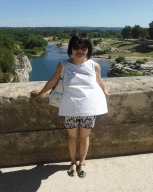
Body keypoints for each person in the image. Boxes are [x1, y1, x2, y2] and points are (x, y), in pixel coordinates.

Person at [31, 32, 110, 178]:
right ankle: (73, 162)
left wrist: (104, 89)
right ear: (71, 49)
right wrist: (40, 93)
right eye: (76, 47)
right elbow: (53, 81)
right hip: (69, 108)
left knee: (85, 138)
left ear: (88, 49)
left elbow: (99, 80)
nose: (79, 50)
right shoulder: (63, 65)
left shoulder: (94, 65)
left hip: (89, 109)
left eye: (83, 47)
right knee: (73, 138)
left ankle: (82, 163)